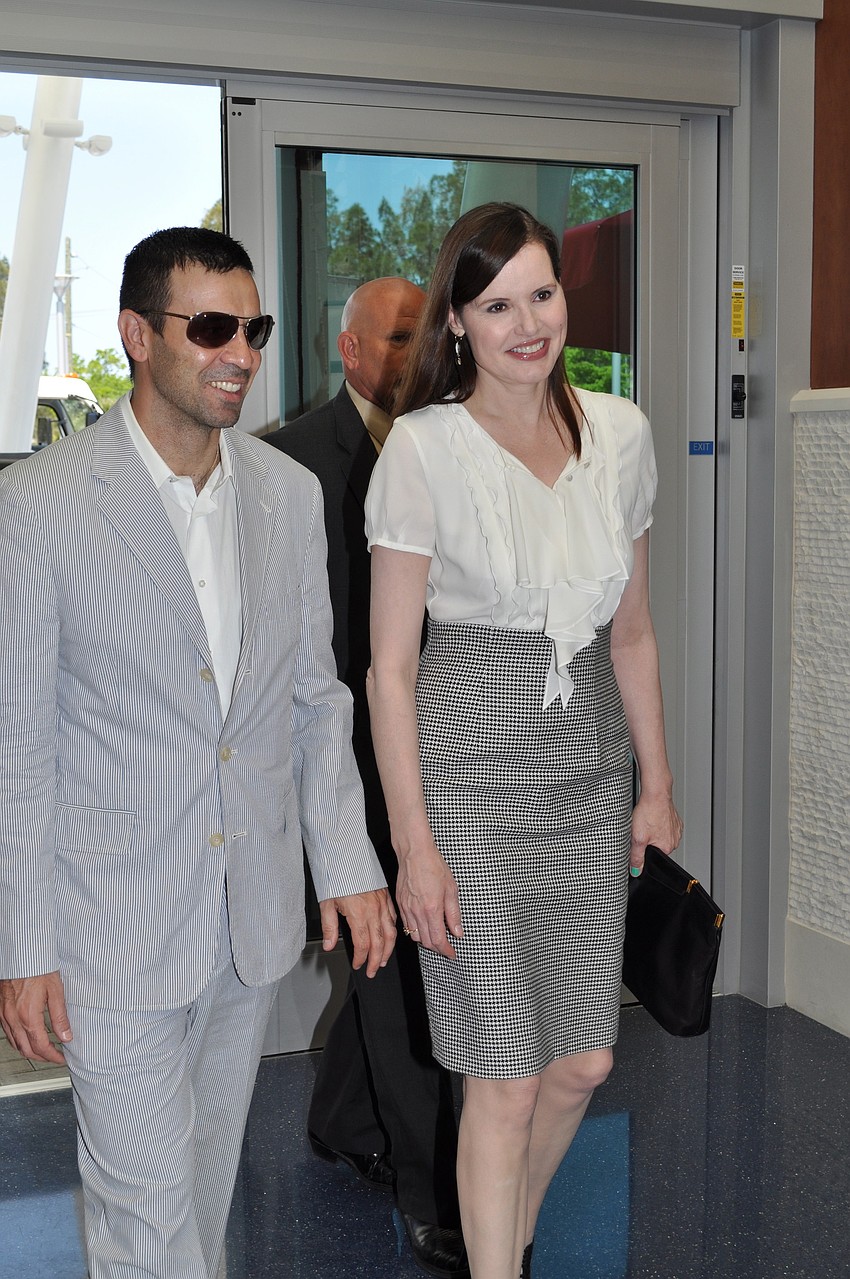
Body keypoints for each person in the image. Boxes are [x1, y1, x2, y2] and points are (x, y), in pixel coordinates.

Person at [0, 226, 396, 1279]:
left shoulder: (287, 494)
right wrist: (22, 942)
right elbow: (17, 748)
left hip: (246, 919)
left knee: (202, 1201)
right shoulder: (40, 505)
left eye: (252, 328)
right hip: (108, 931)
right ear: (137, 334)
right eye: (211, 327)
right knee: (146, 1216)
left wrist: (349, 866)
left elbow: (316, 700)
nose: (240, 353)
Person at [363, 203, 683, 1279]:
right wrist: (413, 847)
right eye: (496, 304)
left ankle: (502, 1236)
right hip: (465, 784)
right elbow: (389, 669)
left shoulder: (620, 431)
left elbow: (630, 629)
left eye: (540, 294)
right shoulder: (422, 448)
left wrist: (657, 785)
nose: (525, 323)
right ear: (458, 322)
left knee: (583, 1063)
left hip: (588, 777)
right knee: (498, 1076)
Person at [265, 277, 467, 1279]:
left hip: (453, 758)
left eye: (424, 332)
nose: (415, 350)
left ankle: (344, 1116)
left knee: (386, 961)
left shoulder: (454, 447)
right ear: (346, 350)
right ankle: (436, 1194)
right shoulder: (285, 461)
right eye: (397, 335)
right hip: (349, 771)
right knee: (402, 982)